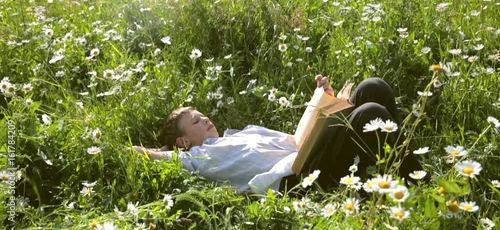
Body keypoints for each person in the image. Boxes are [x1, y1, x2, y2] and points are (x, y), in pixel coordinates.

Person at [133, 76, 425, 195]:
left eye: (202, 114)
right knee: (369, 111)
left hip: (308, 153)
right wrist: (112, 147)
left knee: (372, 89)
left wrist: (326, 101)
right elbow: (154, 156)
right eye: (196, 120)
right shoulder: (200, 157)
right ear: (184, 142)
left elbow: (298, 139)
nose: (206, 118)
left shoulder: (244, 133)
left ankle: (403, 173)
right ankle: (420, 187)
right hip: (301, 178)